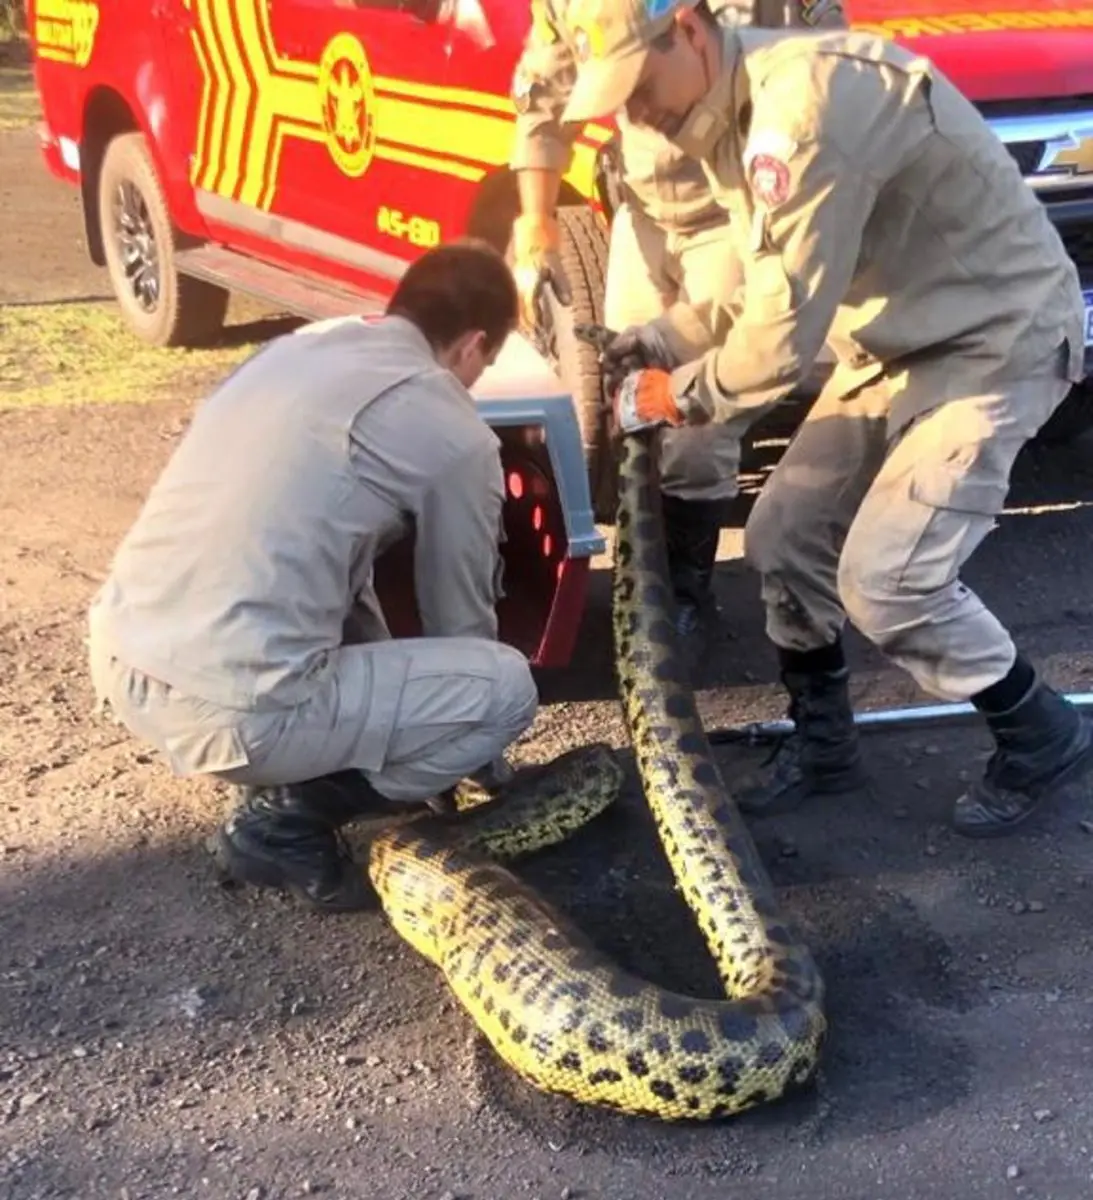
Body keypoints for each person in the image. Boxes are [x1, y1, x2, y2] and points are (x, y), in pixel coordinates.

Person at [560, 0, 1092, 836]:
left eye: (637, 85)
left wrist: (677, 394)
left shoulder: (797, 112)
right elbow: (762, 279)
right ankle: (825, 742)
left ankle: (1040, 731)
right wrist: (661, 334)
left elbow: (772, 344)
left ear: (690, 33)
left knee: (890, 578)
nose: (635, 113)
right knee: (782, 536)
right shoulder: (731, 113)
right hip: (893, 343)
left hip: (995, 340)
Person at [87, 240, 539, 911]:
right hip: (232, 709)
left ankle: (283, 766)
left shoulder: (299, 349)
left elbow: (329, 562)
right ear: (473, 345)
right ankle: (284, 819)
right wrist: (473, 757)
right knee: (503, 688)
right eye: (486, 363)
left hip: (122, 659)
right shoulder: (452, 427)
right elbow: (461, 619)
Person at [508, 0, 846, 636]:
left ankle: (689, 595)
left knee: (695, 417)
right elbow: (543, 93)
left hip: (737, 209)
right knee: (631, 394)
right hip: (643, 210)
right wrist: (536, 220)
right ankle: (646, 581)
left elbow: (815, 80)